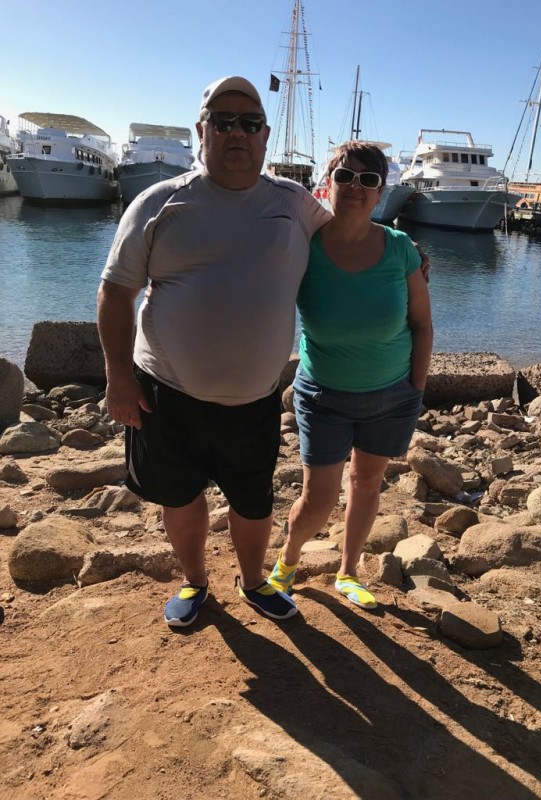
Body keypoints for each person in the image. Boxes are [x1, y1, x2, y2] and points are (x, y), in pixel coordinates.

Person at [97, 76, 331, 626]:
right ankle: (195, 581)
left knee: (253, 501)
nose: (236, 133)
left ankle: (253, 582)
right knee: (179, 497)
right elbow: (115, 292)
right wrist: (117, 377)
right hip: (165, 392)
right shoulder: (159, 202)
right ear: (202, 131)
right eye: (223, 122)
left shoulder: (294, 203)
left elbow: (349, 240)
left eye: (249, 123)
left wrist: (402, 252)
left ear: (265, 136)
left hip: (255, 397)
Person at [268, 141, 433, 611]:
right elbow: (259, 291)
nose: (355, 186)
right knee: (317, 500)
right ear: (328, 184)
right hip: (324, 396)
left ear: (380, 191)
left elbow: (422, 325)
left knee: (366, 484)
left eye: (368, 179)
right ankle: (287, 560)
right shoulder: (304, 247)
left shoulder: (400, 249)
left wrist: (416, 388)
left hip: (392, 395)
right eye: (345, 176)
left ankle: (348, 571)